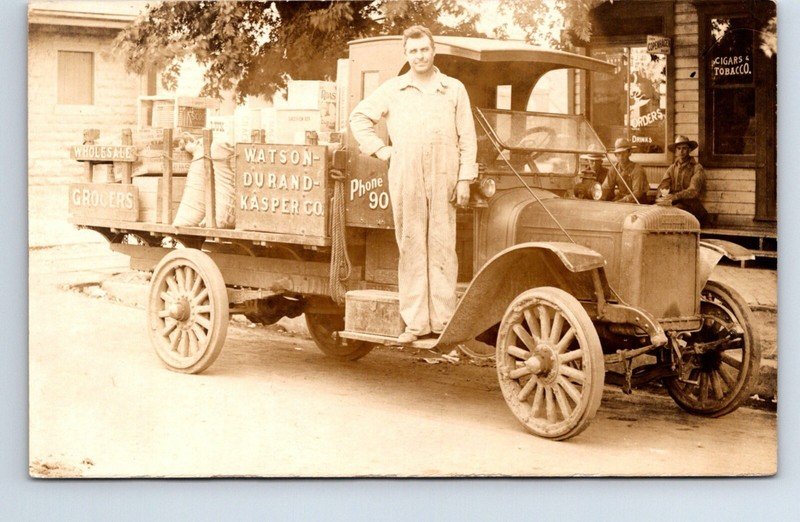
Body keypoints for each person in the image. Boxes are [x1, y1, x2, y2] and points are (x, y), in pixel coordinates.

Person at [349, 25, 478, 344]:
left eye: (424, 49)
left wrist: (464, 178)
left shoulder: (453, 89)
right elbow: (359, 118)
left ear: (433, 51)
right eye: (413, 51)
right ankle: (417, 324)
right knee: (411, 244)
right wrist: (382, 149)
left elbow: (468, 137)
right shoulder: (394, 89)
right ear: (406, 55)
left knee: (443, 244)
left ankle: (444, 322)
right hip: (406, 173)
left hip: (444, 175)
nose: (419, 56)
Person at [655, 135, 709, 225]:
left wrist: (675, 196)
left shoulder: (697, 168)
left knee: (673, 213)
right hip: (675, 204)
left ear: (689, 150)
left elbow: (693, 191)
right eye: (679, 148)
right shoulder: (672, 168)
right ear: (675, 151)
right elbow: (663, 185)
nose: (681, 151)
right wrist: (662, 195)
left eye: (684, 148)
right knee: (656, 212)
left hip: (692, 207)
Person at [601, 138, 648, 203]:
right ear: (615, 155)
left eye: (624, 153)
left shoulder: (637, 170)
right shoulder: (614, 169)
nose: (621, 156)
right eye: (619, 153)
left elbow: (637, 193)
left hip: (638, 202)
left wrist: (621, 201)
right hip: (621, 200)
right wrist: (600, 198)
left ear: (629, 153)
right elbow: (606, 187)